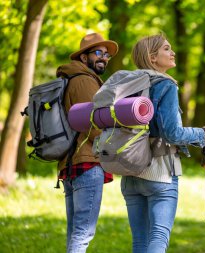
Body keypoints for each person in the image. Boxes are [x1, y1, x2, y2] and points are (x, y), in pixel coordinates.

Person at [120, 34, 205, 253]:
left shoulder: (128, 84)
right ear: (153, 58)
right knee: (158, 238)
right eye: (166, 49)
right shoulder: (166, 86)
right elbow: (172, 133)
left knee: (140, 242)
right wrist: (202, 133)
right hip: (160, 172)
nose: (172, 53)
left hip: (130, 171)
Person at [56, 33, 118, 253]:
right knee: (83, 232)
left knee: (76, 231)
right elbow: (93, 124)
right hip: (87, 162)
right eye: (98, 53)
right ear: (84, 57)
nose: (104, 58)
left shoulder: (72, 78)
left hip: (74, 162)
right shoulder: (84, 80)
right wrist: (114, 149)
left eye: (107, 54)